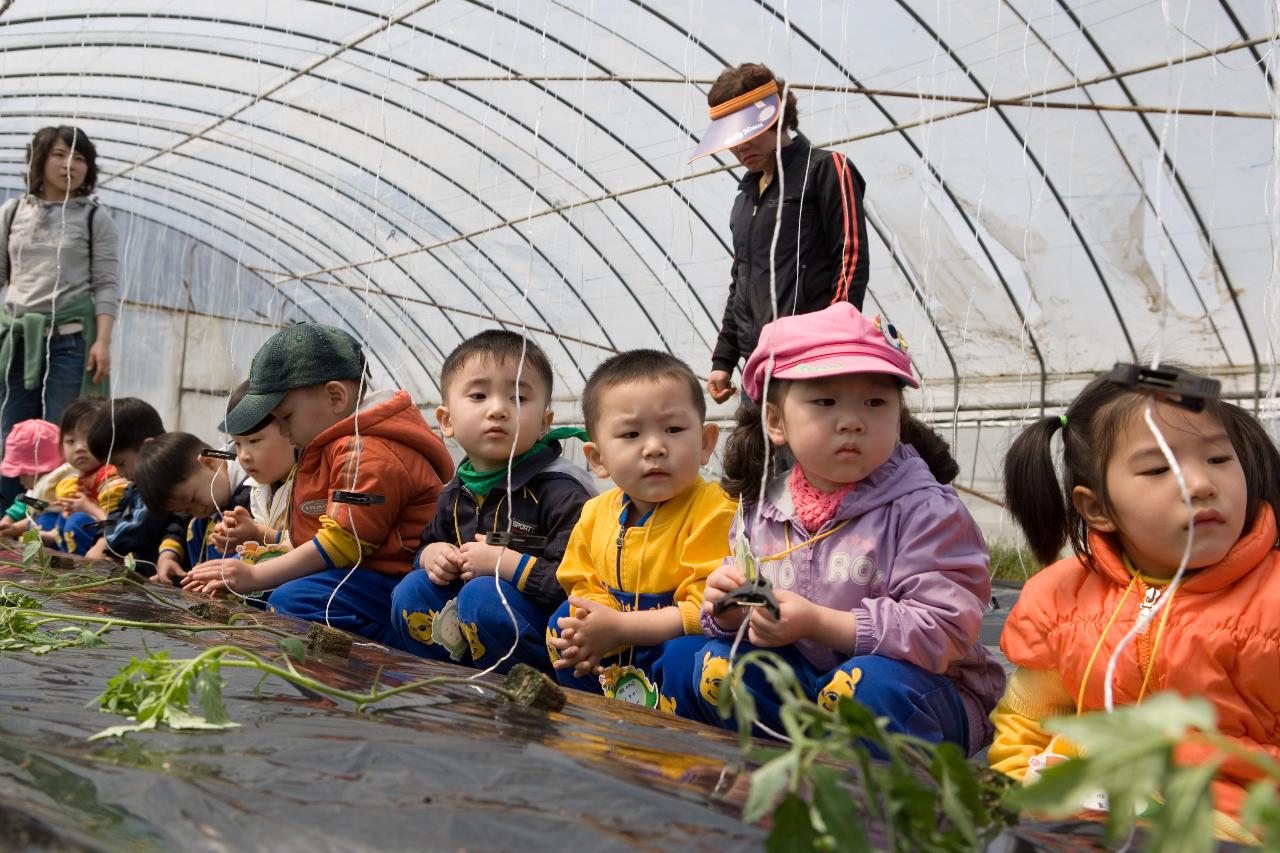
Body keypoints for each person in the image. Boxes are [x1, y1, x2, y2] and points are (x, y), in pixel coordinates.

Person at [683, 302, 1003, 754]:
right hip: (812, 688)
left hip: (924, 694)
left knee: (866, 688)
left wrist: (819, 622)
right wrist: (729, 610)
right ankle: (770, 784)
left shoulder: (926, 510)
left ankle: (880, 807)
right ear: (776, 421)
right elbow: (737, 596)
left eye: (875, 402)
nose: (852, 420)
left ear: (898, 417)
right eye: (825, 401)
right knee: (716, 665)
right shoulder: (761, 510)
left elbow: (946, 629)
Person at [991, 368, 1280, 841]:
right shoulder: (1063, 599)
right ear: (1096, 508)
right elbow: (1028, 717)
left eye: (1218, 458)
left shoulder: (1271, 599)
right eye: (1158, 469)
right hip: (1079, 816)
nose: (1202, 483)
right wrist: (1022, 787)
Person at [182, 323, 454, 645]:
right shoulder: (336, 444)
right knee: (275, 586)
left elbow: (341, 543)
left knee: (292, 601)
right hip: (363, 573)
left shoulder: (366, 452)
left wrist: (254, 575)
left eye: (286, 417)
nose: (282, 432)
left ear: (335, 397)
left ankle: (398, 647)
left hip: (394, 578)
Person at [390, 331, 594, 673]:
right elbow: (427, 542)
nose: (498, 409)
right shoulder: (457, 490)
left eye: (517, 398)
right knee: (412, 589)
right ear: (447, 421)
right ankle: (439, 682)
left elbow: (577, 586)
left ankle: (522, 692)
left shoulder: (561, 490)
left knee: (484, 594)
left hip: (543, 635)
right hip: (470, 624)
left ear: (545, 423)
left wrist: (507, 564)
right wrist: (432, 555)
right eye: (479, 395)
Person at [546, 350, 737, 712]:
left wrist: (621, 627)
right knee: (563, 625)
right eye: (631, 434)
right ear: (598, 459)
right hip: (617, 647)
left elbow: (706, 612)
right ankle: (593, 712)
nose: (654, 447)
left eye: (674, 429)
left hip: (674, 642)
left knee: (692, 657)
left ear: (706, 442)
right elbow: (580, 581)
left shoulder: (715, 509)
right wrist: (599, 624)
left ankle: (685, 728)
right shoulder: (595, 512)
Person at [690, 63, 869, 405]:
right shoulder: (746, 198)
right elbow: (741, 280)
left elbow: (851, 258)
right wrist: (723, 360)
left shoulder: (827, 170)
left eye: (748, 133)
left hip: (811, 362)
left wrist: (828, 342)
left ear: (777, 116)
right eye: (731, 139)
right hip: (758, 367)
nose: (740, 147)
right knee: (757, 457)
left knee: (807, 457)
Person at [0, 126, 117, 505]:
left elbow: (105, 283)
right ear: (39, 160)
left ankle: (49, 518)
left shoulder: (93, 217)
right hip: (16, 338)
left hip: (69, 340)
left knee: (62, 434)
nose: (71, 165)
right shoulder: (13, 212)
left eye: (80, 158)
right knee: (11, 431)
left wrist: (102, 341)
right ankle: (6, 519)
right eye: (61, 155)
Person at [132, 431, 253, 584]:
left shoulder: (253, 491)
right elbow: (179, 523)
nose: (198, 512)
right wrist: (167, 555)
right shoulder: (204, 492)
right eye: (187, 510)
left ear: (210, 463)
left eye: (194, 499)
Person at [83, 397, 183, 574]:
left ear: (147, 447)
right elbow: (116, 513)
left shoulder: (161, 485)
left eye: (120, 463)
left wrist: (107, 544)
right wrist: (101, 540)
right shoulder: (135, 485)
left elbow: (140, 526)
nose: (119, 473)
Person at [209, 379, 298, 556]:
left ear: (291, 429)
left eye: (254, 441)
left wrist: (258, 534)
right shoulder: (257, 487)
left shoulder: (315, 482)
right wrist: (236, 538)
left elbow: (315, 544)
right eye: (237, 444)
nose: (243, 456)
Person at [49, 396, 125, 554]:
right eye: (70, 441)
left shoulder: (110, 475)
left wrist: (87, 507)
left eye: (88, 439)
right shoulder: (82, 477)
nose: (79, 448)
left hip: (112, 546)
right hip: (98, 534)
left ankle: (82, 571)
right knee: (55, 517)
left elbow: (117, 522)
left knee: (77, 521)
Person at [0, 418, 69, 542]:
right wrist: (8, 525)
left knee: (46, 519)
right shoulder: (36, 489)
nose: (20, 481)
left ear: (42, 468)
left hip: (60, 536)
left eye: (23, 474)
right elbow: (22, 505)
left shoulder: (64, 486)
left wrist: (16, 528)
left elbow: (43, 511)